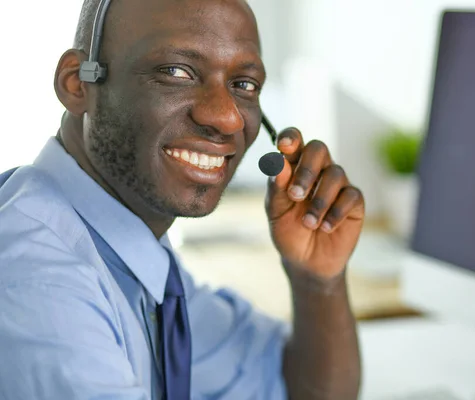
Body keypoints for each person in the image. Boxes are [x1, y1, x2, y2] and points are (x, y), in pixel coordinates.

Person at [0, 0, 365, 399]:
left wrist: (318, 280)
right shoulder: (38, 280)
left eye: (243, 84)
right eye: (176, 72)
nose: (226, 117)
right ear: (77, 82)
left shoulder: (135, 256)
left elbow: (299, 387)